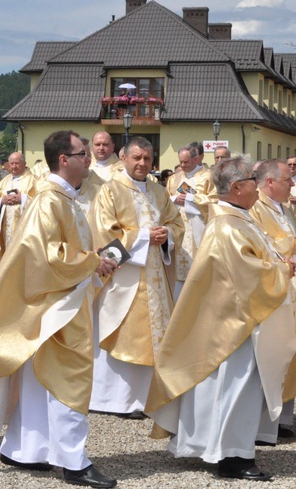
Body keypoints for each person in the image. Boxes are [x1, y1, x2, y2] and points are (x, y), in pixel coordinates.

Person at [0, 130, 118, 488]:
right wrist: (91, 262)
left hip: (60, 299)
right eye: (82, 153)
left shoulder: (64, 198)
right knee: (69, 377)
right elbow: (44, 256)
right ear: (64, 160)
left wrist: (94, 263)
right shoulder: (51, 200)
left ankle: (26, 449)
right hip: (57, 304)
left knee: (41, 379)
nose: (89, 159)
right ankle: (74, 461)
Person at [146, 157, 296, 482]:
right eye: (252, 182)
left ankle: (224, 448)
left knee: (230, 389)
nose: (258, 187)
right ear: (237, 187)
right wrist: (283, 269)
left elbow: (259, 257)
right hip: (233, 326)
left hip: (240, 320)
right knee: (235, 388)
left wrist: (278, 259)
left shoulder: (240, 218)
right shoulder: (227, 226)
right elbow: (247, 273)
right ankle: (232, 457)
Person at [90, 136, 184, 418]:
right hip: (123, 278)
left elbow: (176, 223)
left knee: (154, 335)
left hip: (155, 274)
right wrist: (144, 236)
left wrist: (166, 235)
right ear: (124, 158)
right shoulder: (109, 191)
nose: (142, 163)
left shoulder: (159, 191)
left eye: (147, 158)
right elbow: (104, 233)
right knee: (121, 332)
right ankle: (113, 400)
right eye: (136, 158)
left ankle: (144, 398)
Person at [250, 159, 296, 441]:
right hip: (274, 289)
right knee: (275, 346)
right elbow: (257, 245)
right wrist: (290, 245)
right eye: (288, 180)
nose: (293, 184)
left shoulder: (281, 208)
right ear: (270, 182)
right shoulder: (255, 207)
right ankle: (263, 423)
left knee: (292, 346)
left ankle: (283, 416)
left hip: (293, 285)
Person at [165, 145, 217, 299]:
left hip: (198, 228)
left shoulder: (208, 177)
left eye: (186, 162)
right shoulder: (174, 179)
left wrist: (189, 199)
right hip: (178, 229)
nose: (182, 165)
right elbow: (165, 200)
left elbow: (215, 201)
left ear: (196, 158)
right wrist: (174, 199)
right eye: (180, 162)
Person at [0, 151, 38, 263]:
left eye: (17, 163)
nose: (14, 166)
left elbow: (41, 200)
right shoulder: (5, 181)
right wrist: (2, 201)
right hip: (5, 229)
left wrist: (23, 199)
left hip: (25, 228)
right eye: (11, 164)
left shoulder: (34, 180)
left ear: (24, 163)